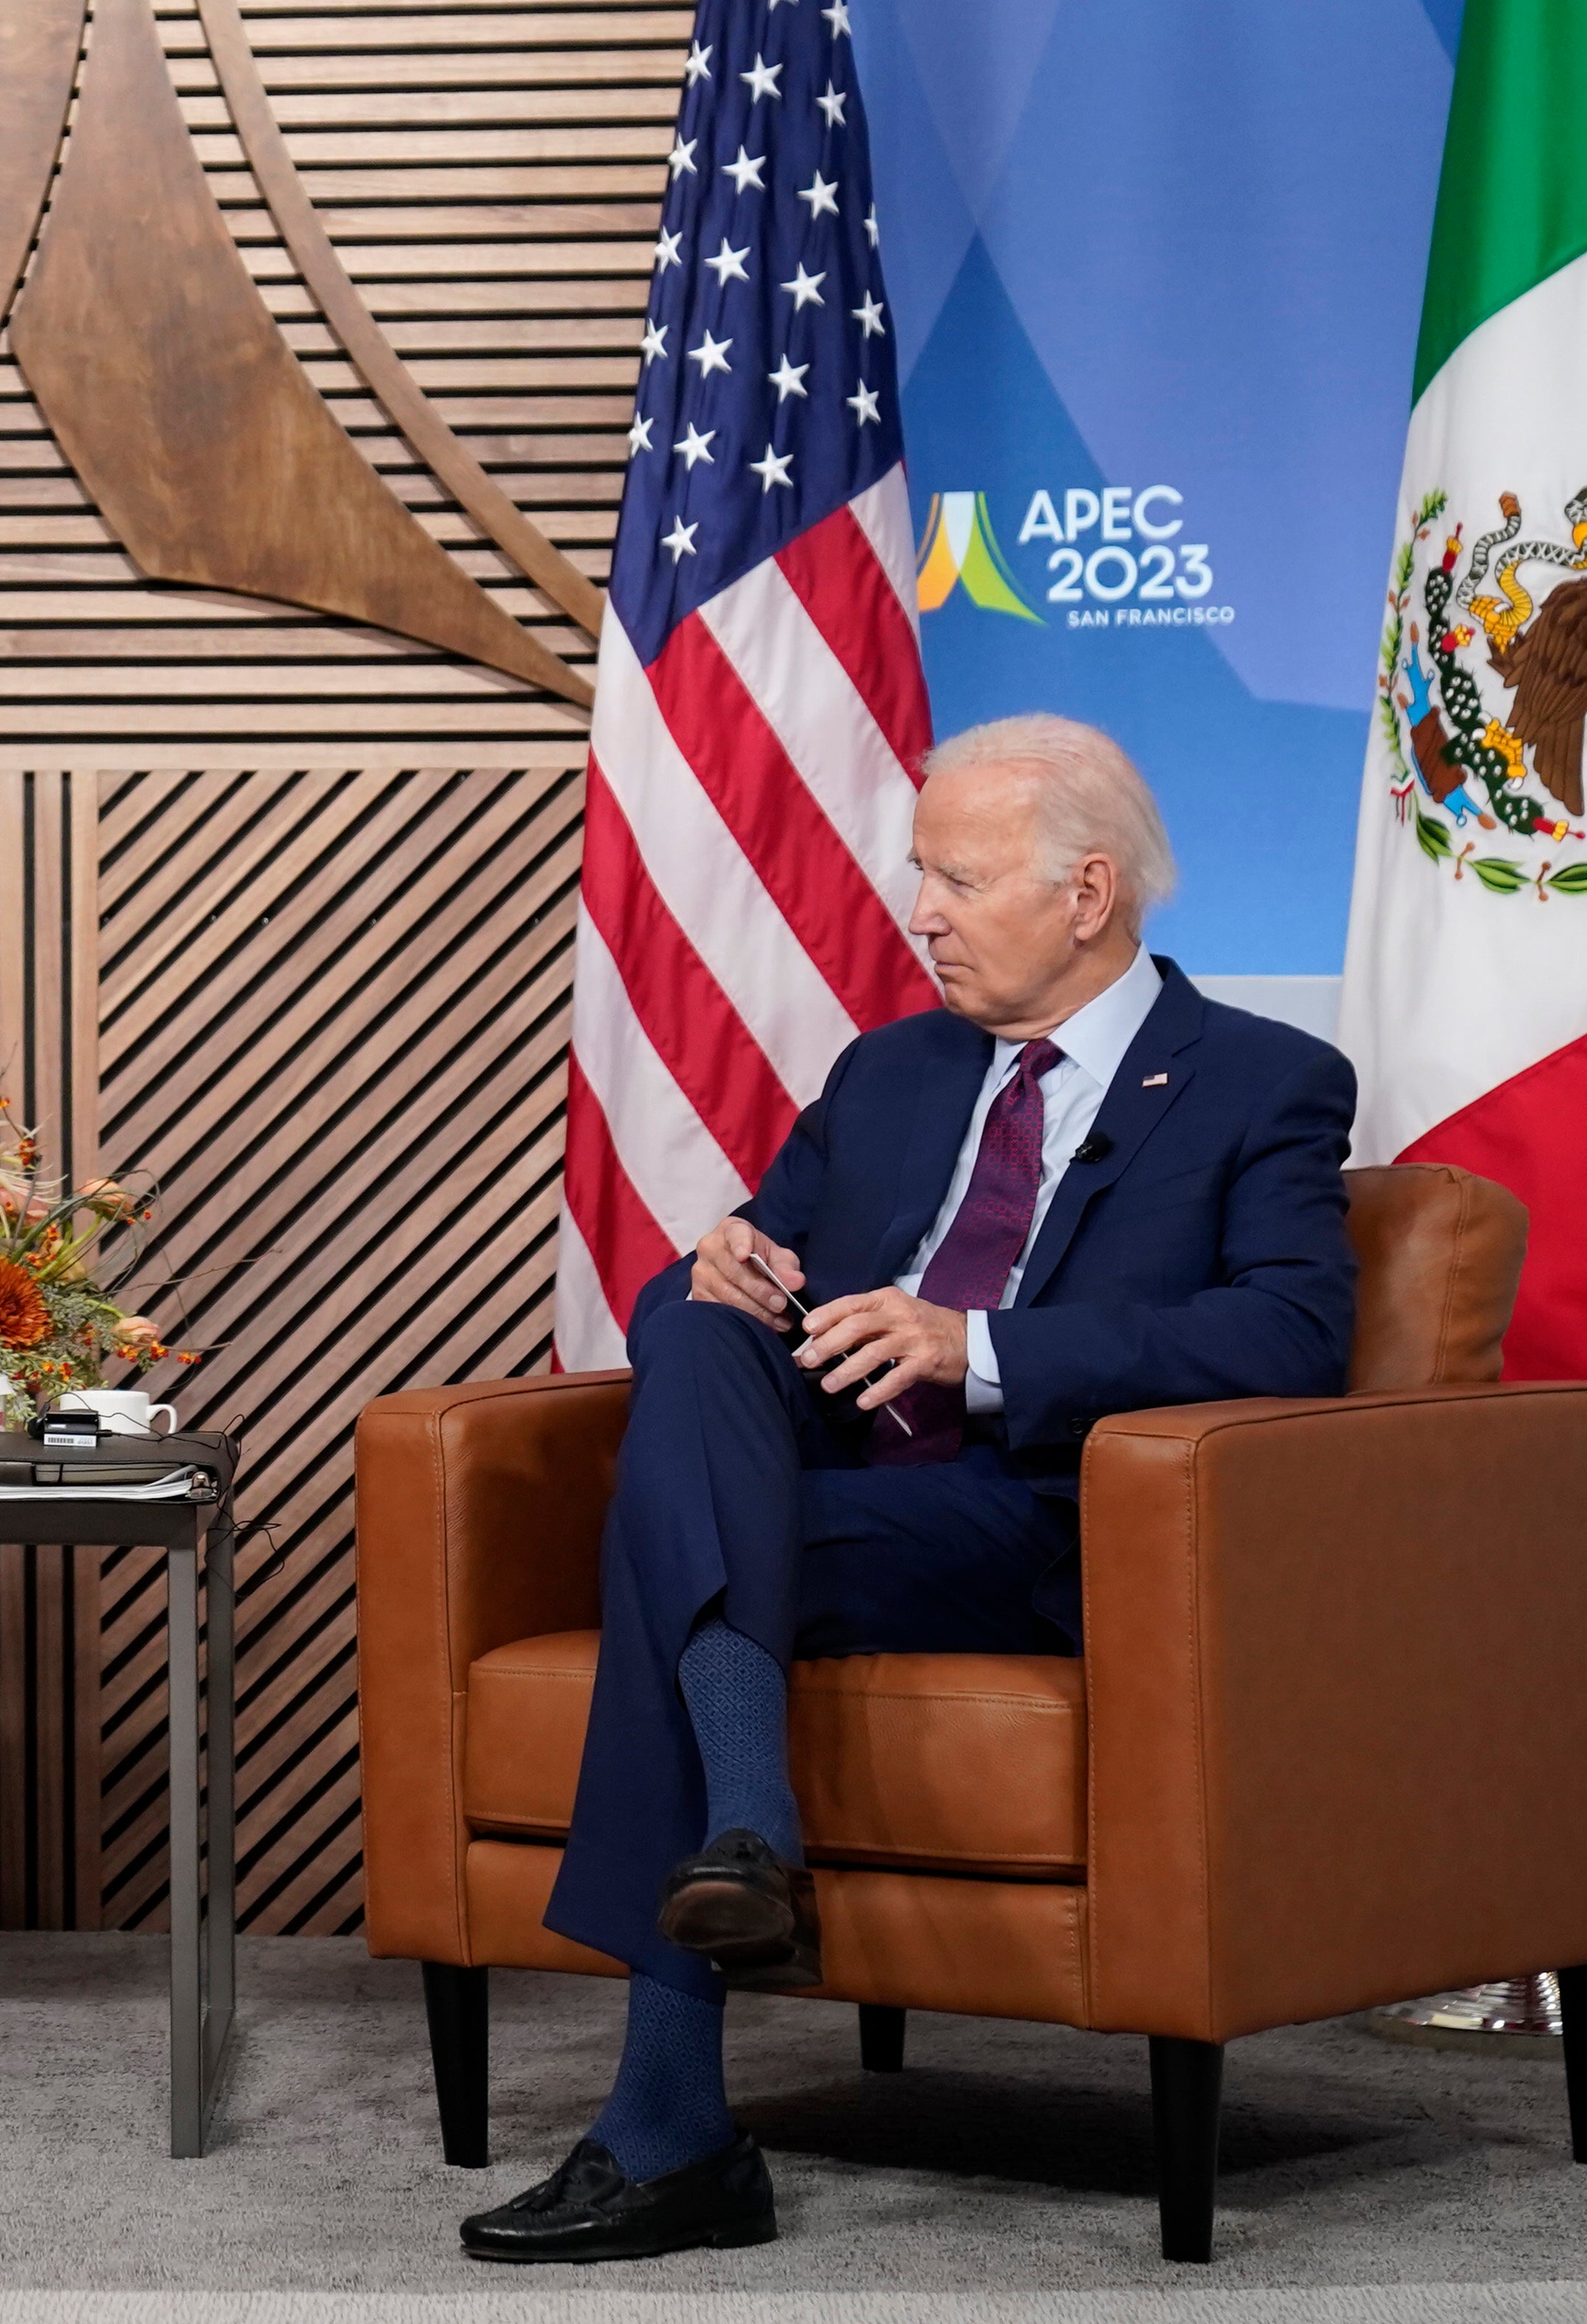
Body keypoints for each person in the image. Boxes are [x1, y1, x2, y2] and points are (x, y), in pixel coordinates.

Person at [462, 715, 1356, 2264]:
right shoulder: (888, 1071)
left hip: (1037, 1516)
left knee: (667, 1549)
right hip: (825, 1487)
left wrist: (981, 1345)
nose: (918, 912)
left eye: (954, 878)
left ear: (1087, 893)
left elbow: (1289, 1330)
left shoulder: (1259, 1081)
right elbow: (762, 1276)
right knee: (690, 1328)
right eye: (916, 876)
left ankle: (674, 2121)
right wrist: (720, 1261)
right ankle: (745, 1838)